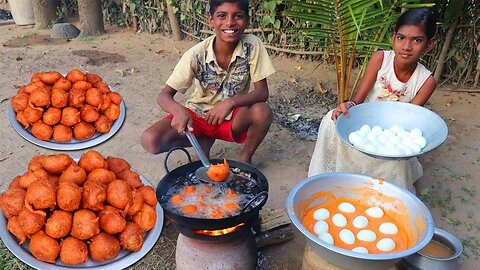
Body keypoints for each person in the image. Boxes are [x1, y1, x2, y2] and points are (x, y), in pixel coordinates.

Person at [308, 8, 437, 191]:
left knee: (395, 157)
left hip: (393, 133)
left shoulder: (426, 81)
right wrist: (348, 106)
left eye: (417, 40)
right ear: (393, 38)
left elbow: (407, 122)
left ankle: (384, 189)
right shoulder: (380, 60)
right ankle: (326, 178)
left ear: (429, 45)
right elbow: (357, 101)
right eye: (401, 38)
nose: (406, 47)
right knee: (331, 119)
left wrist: (389, 136)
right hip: (363, 123)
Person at [140, 0, 275, 164]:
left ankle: (245, 160)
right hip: (197, 117)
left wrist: (229, 103)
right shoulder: (196, 55)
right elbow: (164, 95)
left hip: (232, 118)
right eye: (222, 16)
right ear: (211, 19)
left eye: (238, 16)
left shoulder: (252, 45)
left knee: (263, 111)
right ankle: (203, 139)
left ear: (247, 21)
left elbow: (262, 92)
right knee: (150, 140)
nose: (230, 22)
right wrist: (178, 111)